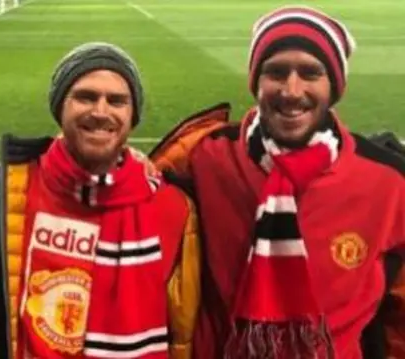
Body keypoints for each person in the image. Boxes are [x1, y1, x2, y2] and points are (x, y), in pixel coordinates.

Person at [0, 42, 201, 359]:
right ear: (59, 107)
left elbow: (185, 331)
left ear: (133, 117)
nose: (101, 111)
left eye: (117, 101)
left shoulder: (172, 208)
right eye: (85, 97)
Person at [150, 5, 405, 359]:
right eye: (276, 72)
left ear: (334, 86)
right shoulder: (207, 156)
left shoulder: (388, 181)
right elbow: (136, 193)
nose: (291, 90)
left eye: (311, 73)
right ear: (256, 81)